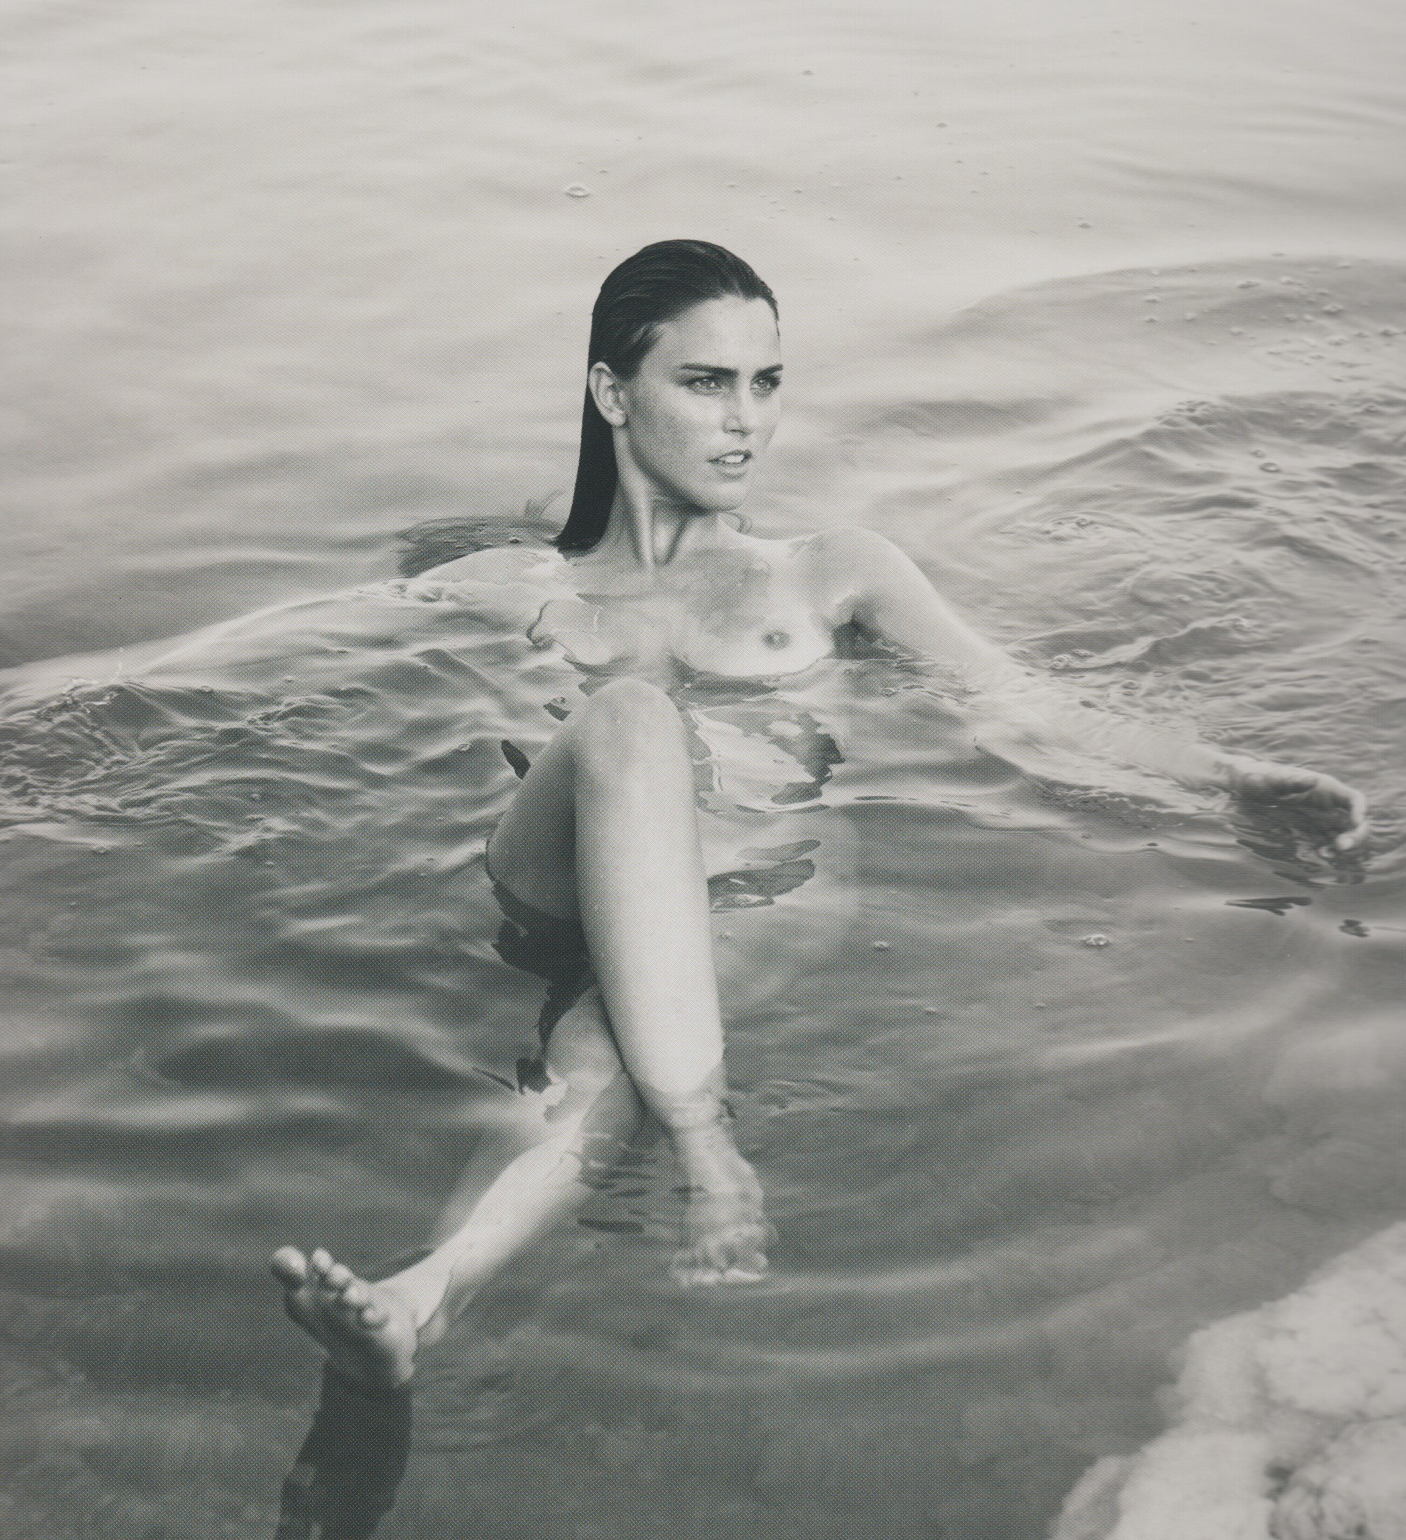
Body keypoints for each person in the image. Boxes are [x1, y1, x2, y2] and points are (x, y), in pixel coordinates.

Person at [272, 238, 1369, 1391]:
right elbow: (275, 653)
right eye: (705, 382)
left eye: (766, 383)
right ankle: (704, 1139)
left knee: (598, 1052)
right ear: (611, 392)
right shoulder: (513, 585)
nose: (744, 420)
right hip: (555, 881)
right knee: (630, 717)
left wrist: (1220, 775)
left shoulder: (828, 572)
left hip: (749, 890)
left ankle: (424, 1294)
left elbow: (1023, 708)